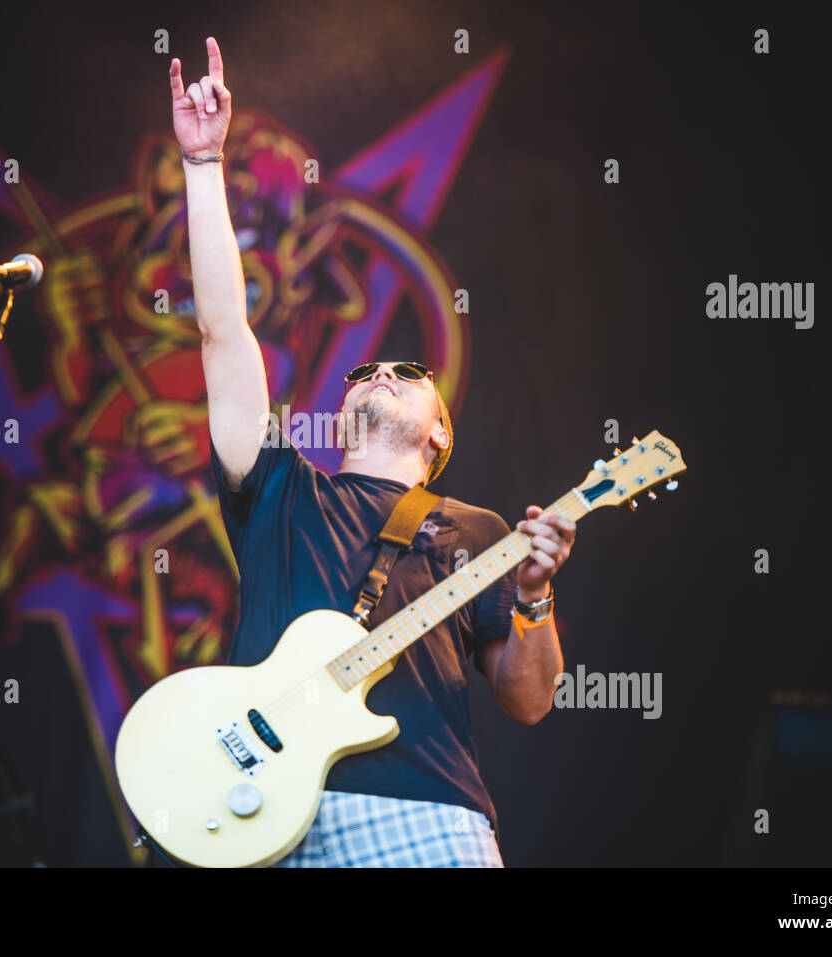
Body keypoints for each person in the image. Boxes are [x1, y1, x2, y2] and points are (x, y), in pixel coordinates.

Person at [170, 37, 575, 867]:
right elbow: (222, 331)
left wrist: (533, 594)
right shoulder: (283, 488)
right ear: (342, 408)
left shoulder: (477, 529)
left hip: (424, 816)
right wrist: (205, 166)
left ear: (439, 434)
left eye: (406, 370)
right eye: (365, 370)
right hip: (260, 808)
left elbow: (528, 702)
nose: (381, 370)